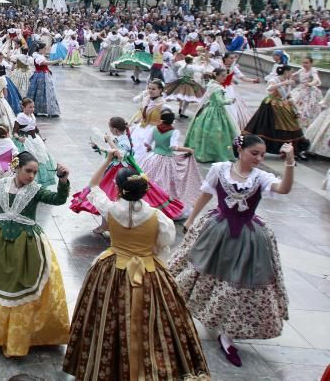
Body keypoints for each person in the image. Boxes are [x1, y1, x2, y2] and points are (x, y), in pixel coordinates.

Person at [63, 158, 209, 380]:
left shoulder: (110, 208)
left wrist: (108, 160)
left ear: (119, 190)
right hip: (148, 270)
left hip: (112, 267)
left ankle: (104, 364)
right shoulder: (159, 218)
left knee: (105, 314)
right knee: (152, 319)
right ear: (145, 190)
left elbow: (93, 187)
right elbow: (163, 244)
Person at [169, 134, 294, 367]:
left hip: (247, 236)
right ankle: (200, 312)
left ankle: (227, 333)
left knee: (235, 282)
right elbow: (206, 194)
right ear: (240, 151)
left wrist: (289, 162)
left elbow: (284, 188)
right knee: (200, 271)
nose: (258, 158)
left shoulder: (260, 177)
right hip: (216, 229)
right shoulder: (220, 169)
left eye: (261, 154)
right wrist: (190, 220)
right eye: (254, 153)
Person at [0, 153, 71, 356]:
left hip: (26, 246)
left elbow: (58, 199)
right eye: (28, 171)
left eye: (35, 172)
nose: (31, 176)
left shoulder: (36, 190)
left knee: (22, 286)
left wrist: (62, 181)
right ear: (17, 168)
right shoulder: (2, 185)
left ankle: (19, 333)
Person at [139, 108, 200, 216]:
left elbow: (146, 143)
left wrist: (149, 148)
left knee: (147, 180)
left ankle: (145, 199)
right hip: (166, 160)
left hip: (152, 158)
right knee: (164, 183)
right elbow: (173, 147)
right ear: (172, 121)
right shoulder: (174, 132)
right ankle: (160, 203)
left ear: (161, 120)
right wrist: (188, 149)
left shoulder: (154, 129)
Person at [243, 65, 307, 154]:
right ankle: (256, 145)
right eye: (290, 72)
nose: (292, 74)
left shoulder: (288, 82)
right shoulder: (275, 79)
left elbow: (289, 97)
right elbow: (269, 88)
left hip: (283, 105)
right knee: (266, 127)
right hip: (271, 106)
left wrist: (297, 109)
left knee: (290, 125)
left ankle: (289, 148)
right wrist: (284, 83)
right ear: (286, 72)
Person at [185, 69, 239, 164]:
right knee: (219, 132)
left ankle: (203, 151)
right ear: (216, 75)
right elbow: (220, 101)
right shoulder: (218, 88)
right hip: (216, 111)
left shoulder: (211, 84)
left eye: (225, 76)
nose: (224, 78)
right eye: (222, 76)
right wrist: (231, 100)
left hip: (208, 109)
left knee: (205, 131)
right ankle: (215, 153)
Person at [13, 99, 57, 188]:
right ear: (23, 107)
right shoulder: (21, 117)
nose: (32, 109)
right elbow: (14, 131)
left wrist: (40, 137)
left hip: (34, 139)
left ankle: (38, 181)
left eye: (33, 107)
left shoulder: (32, 115)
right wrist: (18, 138)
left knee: (41, 158)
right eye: (30, 107)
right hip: (25, 140)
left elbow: (35, 128)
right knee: (26, 159)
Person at [288, 56, 322, 128]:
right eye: (303, 62)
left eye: (306, 63)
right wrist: (290, 77)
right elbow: (293, 75)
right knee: (292, 101)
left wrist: (310, 84)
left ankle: (305, 122)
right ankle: (293, 120)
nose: (304, 64)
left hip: (309, 90)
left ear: (311, 63)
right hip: (300, 88)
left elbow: (316, 79)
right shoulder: (301, 70)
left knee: (306, 107)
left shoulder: (313, 71)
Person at [26, 46, 60, 117]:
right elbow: (44, 63)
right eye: (44, 48)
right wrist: (56, 61)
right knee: (44, 92)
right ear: (40, 49)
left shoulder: (38, 56)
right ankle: (44, 110)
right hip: (41, 76)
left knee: (38, 92)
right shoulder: (38, 57)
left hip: (40, 75)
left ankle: (35, 109)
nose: (45, 50)